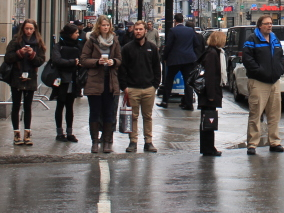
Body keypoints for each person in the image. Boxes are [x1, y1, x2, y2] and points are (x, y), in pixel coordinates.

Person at [243, 15, 284, 155]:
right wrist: (260, 71)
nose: (269, 25)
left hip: (274, 81)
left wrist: (280, 69)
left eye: (271, 23)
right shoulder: (252, 39)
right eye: (267, 23)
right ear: (260, 25)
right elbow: (247, 59)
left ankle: (274, 142)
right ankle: (252, 144)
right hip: (258, 82)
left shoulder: (275, 39)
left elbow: (281, 57)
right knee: (255, 113)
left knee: (274, 114)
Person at [81, 15, 122, 154]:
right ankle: (94, 141)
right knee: (95, 111)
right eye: (103, 25)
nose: (106, 27)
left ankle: (107, 141)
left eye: (108, 25)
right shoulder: (91, 40)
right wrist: (96, 62)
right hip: (94, 80)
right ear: (99, 26)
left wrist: (113, 62)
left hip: (110, 80)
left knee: (109, 112)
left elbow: (119, 59)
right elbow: (83, 60)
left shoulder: (115, 41)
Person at [118, 21, 161, 153]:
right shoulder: (127, 48)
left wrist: (155, 85)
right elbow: (122, 69)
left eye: (140, 29)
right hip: (132, 88)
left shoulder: (152, 48)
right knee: (133, 117)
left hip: (148, 88)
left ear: (145, 31)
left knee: (147, 116)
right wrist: (124, 86)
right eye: (136, 29)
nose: (138, 31)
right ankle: (133, 141)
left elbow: (156, 68)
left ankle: (148, 141)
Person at [4, 19, 46, 146]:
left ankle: (27, 134)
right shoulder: (16, 41)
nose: (28, 31)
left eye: (31, 29)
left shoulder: (38, 43)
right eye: (26, 28)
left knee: (28, 107)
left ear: (34, 30)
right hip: (17, 76)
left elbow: (40, 60)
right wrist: (20, 53)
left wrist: (32, 55)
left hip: (30, 77)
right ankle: (16, 134)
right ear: (23, 29)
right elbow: (8, 58)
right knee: (16, 105)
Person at [159, 14, 203, 110]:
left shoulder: (173, 30)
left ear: (175, 21)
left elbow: (168, 46)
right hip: (188, 59)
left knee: (169, 80)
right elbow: (196, 44)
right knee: (188, 82)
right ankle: (189, 103)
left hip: (175, 59)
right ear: (183, 20)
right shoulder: (190, 30)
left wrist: (164, 57)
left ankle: (165, 101)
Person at [51, 23, 83, 142]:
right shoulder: (58, 46)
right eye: (76, 33)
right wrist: (72, 62)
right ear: (70, 34)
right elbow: (57, 60)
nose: (78, 35)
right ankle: (59, 132)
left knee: (70, 106)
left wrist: (79, 64)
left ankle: (69, 132)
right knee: (60, 105)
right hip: (61, 80)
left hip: (73, 79)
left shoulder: (77, 46)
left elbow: (81, 60)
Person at [199, 30, 228, 156]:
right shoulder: (212, 54)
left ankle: (209, 147)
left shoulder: (214, 52)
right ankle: (208, 148)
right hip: (209, 94)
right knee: (209, 122)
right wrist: (211, 95)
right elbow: (210, 76)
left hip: (209, 93)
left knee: (208, 121)